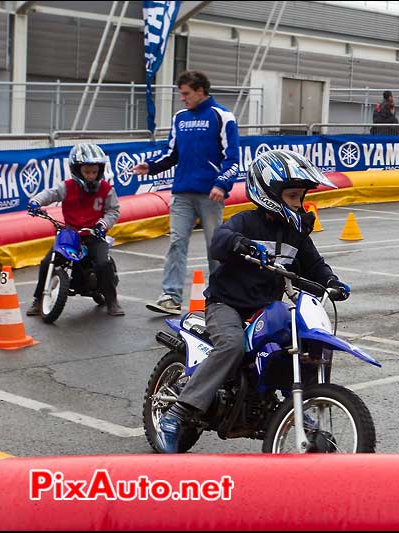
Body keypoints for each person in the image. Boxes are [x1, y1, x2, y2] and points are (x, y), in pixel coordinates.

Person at [155, 150, 352, 453]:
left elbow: (314, 263)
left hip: (266, 308)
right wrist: (237, 243)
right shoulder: (245, 223)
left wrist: (331, 281)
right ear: (269, 193)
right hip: (227, 306)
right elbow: (218, 240)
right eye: (293, 196)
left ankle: (299, 405)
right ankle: (178, 413)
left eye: (301, 197)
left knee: (306, 341)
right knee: (232, 345)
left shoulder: (296, 232)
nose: (298, 204)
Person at [133, 70, 240, 315]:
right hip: (181, 193)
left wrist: (221, 184)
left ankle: (220, 295)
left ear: (200, 91)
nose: (182, 98)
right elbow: (171, 154)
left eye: (186, 93)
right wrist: (150, 167)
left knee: (216, 247)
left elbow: (232, 158)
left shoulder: (222, 116)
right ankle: (170, 296)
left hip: (211, 194)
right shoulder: (180, 118)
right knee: (176, 242)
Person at [25, 143, 123, 316]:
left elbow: (113, 210)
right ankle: (38, 299)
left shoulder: (107, 189)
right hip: (70, 234)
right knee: (47, 262)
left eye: (95, 172)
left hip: (94, 234)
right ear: (77, 171)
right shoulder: (66, 186)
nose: (91, 176)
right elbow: (50, 194)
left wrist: (103, 224)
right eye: (87, 172)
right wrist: (35, 202)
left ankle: (112, 301)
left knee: (103, 263)